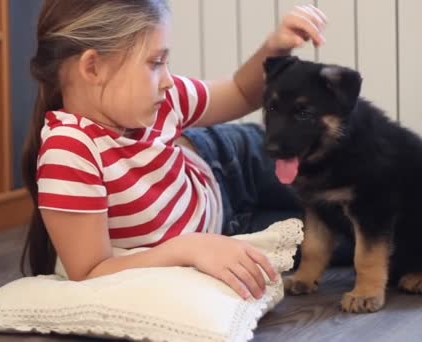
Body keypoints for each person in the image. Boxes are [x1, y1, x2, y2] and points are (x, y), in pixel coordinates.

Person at [21, 0, 327, 300]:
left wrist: (276, 49)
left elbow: (240, 92)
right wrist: (188, 248)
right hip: (230, 230)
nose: (168, 79)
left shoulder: (163, 99)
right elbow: (90, 272)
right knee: (335, 237)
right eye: (155, 63)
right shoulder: (70, 151)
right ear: (93, 67)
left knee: (354, 191)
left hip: (228, 160)